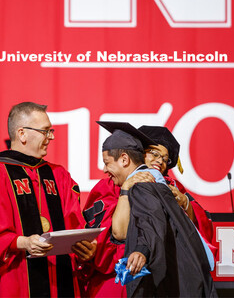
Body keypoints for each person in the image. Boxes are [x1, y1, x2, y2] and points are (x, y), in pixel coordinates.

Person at [0, 102, 95, 298]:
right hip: (12, 280)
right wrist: (21, 242)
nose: (52, 137)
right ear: (22, 133)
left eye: (51, 131)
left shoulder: (59, 175)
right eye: (45, 131)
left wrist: (85, 248)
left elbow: (74, 223)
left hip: (60, 281)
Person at [83, 121, 217, 298]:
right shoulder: (108, 186)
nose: (159, 161)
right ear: (137, 152)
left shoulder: (173, 188)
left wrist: (184, 204)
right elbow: (109, 236)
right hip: (118, 275)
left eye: (165, 158)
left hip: (164, 276)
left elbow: (198, 231)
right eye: (154, 153)